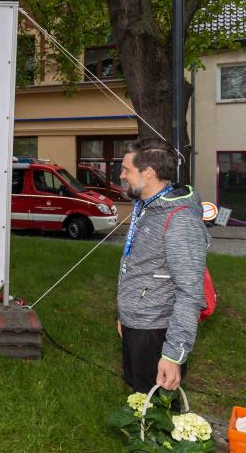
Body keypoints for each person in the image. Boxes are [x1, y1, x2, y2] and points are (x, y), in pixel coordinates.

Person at [117, 137, 209, 393]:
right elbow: (140, 267)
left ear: (148, 173)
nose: (121, 175)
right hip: (136, 323)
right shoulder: (146, 205)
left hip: (157, 331)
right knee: (139, 400)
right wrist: (125, 315)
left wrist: (173, 355)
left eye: (126, 169)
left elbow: (190, 293)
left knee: (157, 406)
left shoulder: (180, 220)